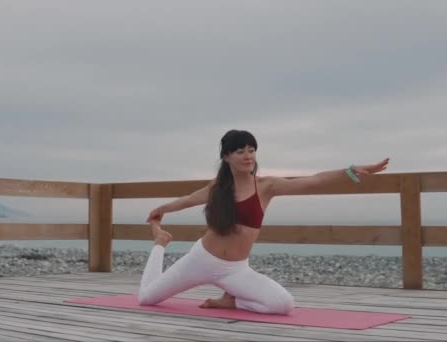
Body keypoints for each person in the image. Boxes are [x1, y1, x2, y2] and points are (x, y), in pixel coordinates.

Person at [138, 129, 389, 315]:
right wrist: (162, 209)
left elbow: (314, 181)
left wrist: (350, 171)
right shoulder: (219, 187)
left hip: (235, 269)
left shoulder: (267, 186)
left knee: (283, 304)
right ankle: (160, 244)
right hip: (200, 260)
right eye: (240, 151)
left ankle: (231, 300)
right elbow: (189, 199)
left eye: (251, 150)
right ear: (226, 156)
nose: (248, 156)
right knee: (147, 298)